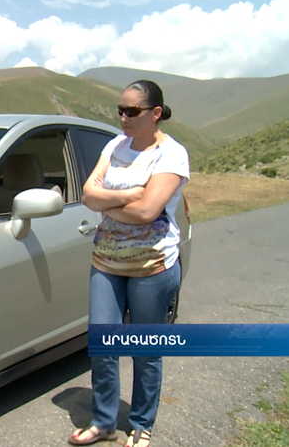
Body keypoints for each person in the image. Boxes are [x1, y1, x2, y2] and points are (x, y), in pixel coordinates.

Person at [68, 80, 190, 447]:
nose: (123, 117)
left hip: (152, 266)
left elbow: (149, 211)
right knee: (102, 343)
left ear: (155, 113)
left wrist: (111, 200)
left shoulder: (172, 154)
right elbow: (89, 195)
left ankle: (141, 424)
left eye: (131, 111)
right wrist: (130, 194)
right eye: (120, 110)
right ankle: (104, 421)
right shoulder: (114, 145)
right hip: (106, 261)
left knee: (145, 348)